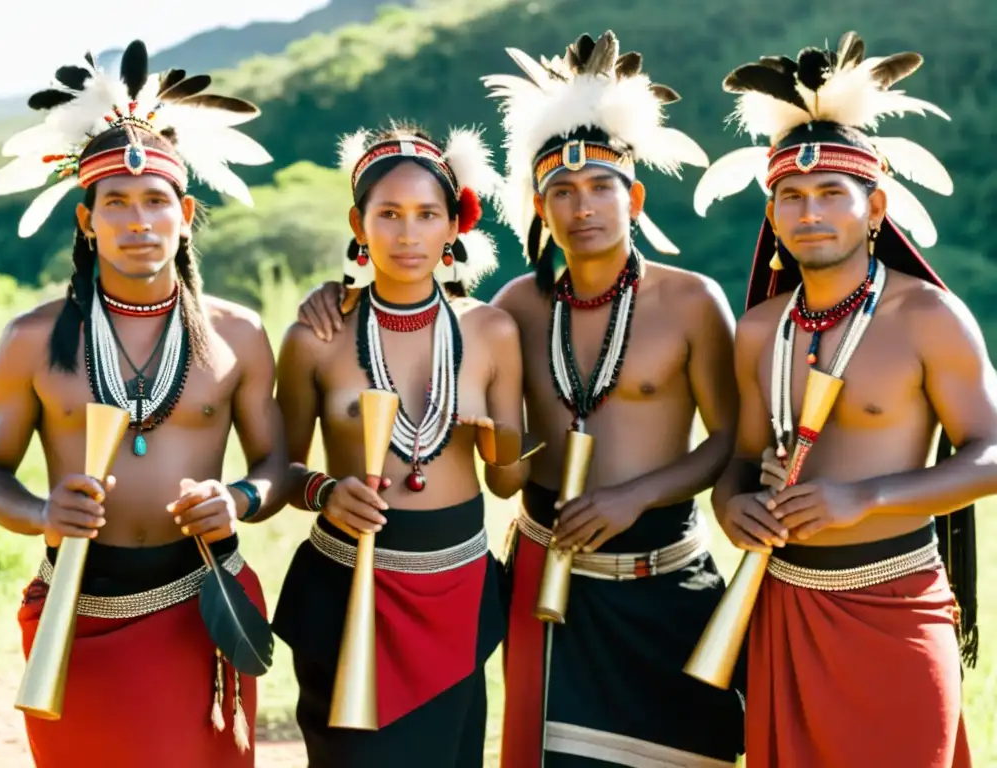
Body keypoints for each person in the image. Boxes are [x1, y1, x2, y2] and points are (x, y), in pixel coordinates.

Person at [297, 32, 747, 768]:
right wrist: (339, 293)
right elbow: (419, 308)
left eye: (600, 187)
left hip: (665, 573)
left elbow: (731, 439)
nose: (583, 208)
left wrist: (634, 496)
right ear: (537, 207)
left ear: (631, 195)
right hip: (546, 577)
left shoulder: (691, 301)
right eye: (560, 194)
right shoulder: (515, 308)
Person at [0, 42, 286, 768]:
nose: (137, 221)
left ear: (185, 213)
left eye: (154, 203)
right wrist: (42, 513)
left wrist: (238, 497)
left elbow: (277, 464)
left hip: (203, 600)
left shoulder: (237, 333)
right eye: (115, 202)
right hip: (76, 609)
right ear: (86, 220)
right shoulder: (31, 339)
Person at [694, 30, 986, 767]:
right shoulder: (762, 328)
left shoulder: (928, 317)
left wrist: (870, 496)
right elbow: (742, 457)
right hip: (784, 604)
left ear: (876, 206)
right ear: (772, 215)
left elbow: (993, 451)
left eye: (832, 193)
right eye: (790, 196)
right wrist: (733, 508)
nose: (810, 211)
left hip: (897, 602)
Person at [269, 122, 526, 767]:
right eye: (388, 214)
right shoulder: (318, 336)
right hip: (347, 588)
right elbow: (276, 471)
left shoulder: (492, 331)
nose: (407, 234)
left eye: (426, 214)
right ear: (359, 225)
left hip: (455, 592)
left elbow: (507, 482)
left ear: (453, 227)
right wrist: (325, 491)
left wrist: (499, 445)